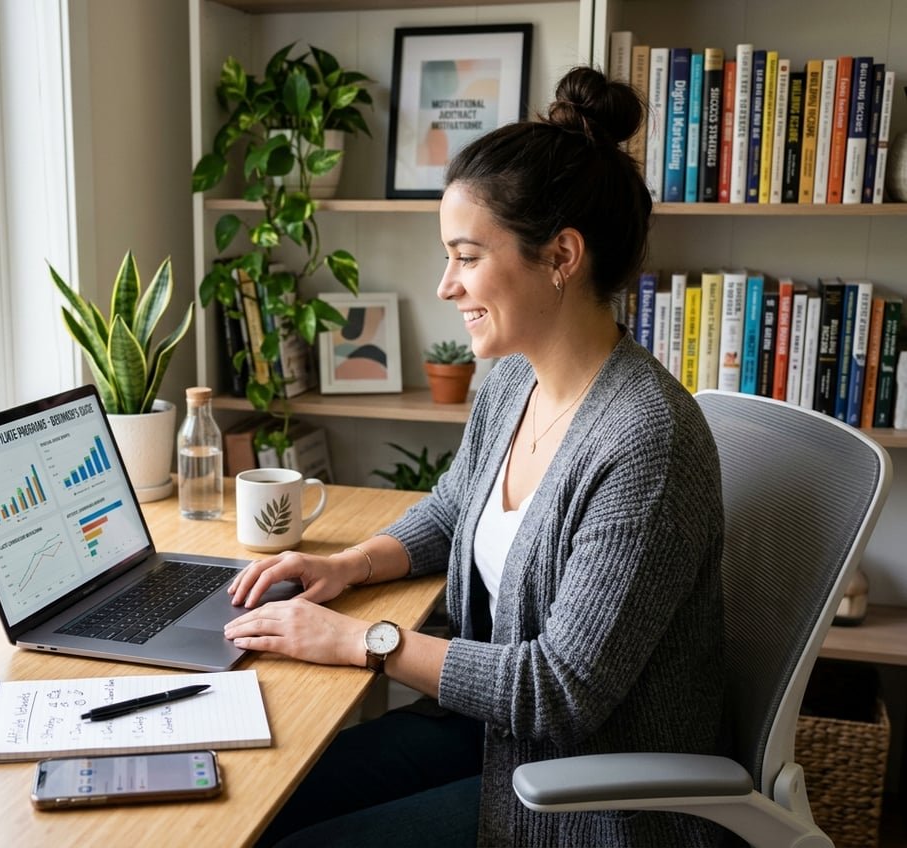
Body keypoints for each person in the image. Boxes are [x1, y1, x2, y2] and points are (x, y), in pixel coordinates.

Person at [224, 65, 726, 847]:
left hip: (589, 794)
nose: (445, 284)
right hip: (490, 736)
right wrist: (347, 567)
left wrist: (361, 640)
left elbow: (559, 692)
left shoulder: (645, 442)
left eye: (465, 255)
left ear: (560, 255)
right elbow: (457, 505)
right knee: (262, 796)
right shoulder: (510, 381)